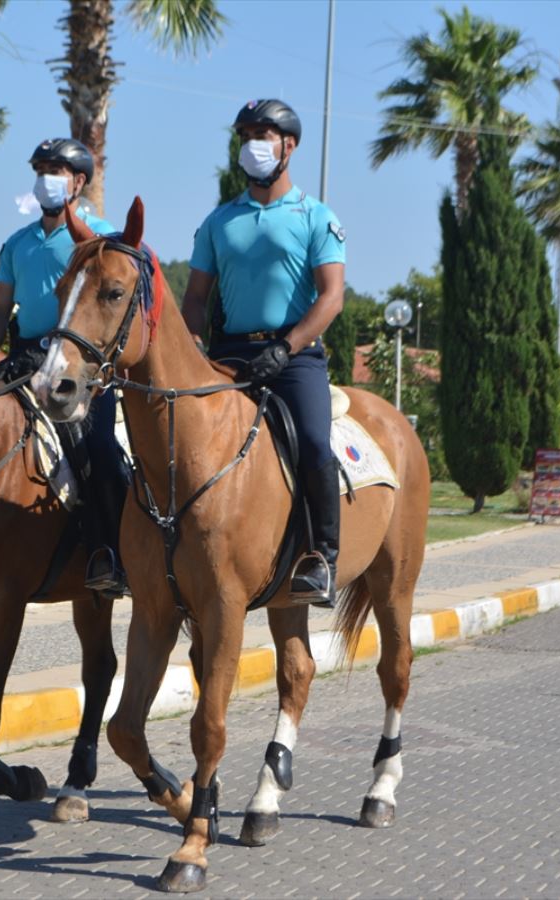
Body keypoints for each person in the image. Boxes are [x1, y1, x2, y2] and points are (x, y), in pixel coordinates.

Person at [179, 99, 347, 607]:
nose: (253, 143)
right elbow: (195, 297)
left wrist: (289, 346)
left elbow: (332, 297)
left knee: (315, 445)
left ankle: (321, 557)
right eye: (246, 134)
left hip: (294, 358)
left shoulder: (315, 215)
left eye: (264, 134)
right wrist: (192, 346)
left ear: (289, 145)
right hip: (228, 356)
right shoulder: (218, 221)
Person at [0, 137, 129, 597]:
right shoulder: (18, 243)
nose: (46, 178)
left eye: (56, 169)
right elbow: (1, 307)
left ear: (79, 181)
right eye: (41, 168)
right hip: (23, 358)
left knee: (98, 450)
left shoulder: (99, 239)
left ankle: (109, 554)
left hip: (79, 368)